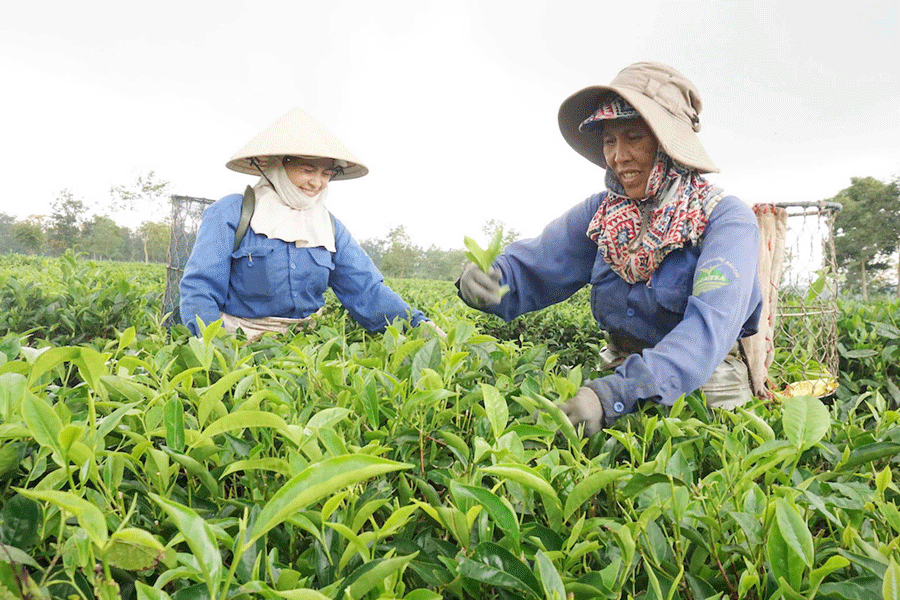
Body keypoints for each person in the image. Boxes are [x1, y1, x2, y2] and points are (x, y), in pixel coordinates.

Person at [458, 62, 763, 436]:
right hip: (617, 374)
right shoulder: (602, 215)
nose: (618, 156)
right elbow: (534, 267)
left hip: (708, 384)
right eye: (609, 140)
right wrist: (485, 278)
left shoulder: (725, 220)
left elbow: (709, 329)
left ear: (668, 145)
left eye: (633, 137)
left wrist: (613, 395)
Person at [180, 108, 443, 341]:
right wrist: (212, 347)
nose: (317, 183)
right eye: (307, 170)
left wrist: (419, 325)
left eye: (325, 173)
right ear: (277, 165)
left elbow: (366, 290)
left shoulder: (328, 226)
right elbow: (200, 289)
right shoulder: (232, 212)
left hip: (305, 347)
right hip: (239, 343)